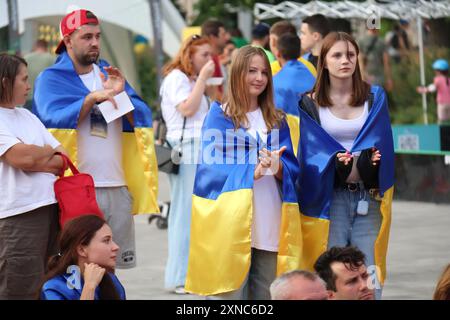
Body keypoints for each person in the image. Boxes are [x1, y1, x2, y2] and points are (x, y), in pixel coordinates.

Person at [33, 9, 159, 269]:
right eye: (87, 36)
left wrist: (121, 95)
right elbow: (50, 120)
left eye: (98, 36)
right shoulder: (51, 79)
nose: (95, 43)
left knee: (113, 268)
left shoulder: (108, 74)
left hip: (117, 186)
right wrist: (91, 99)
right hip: (77, 188)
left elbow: (142, 118)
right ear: (68, 41)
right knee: (76, 267)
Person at [185, 46, 302, 300]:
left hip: (270, 223)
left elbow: (292, 169)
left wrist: (277, 166)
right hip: (230, 225)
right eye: (252, 71)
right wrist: (254, 170)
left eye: (264, 72)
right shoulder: (218, 117)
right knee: (230, 299)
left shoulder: (277, 120)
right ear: (237, 73)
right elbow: (210, 172)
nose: (259, 78)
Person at [297, 32, 395, 300]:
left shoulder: (374, 97)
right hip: (332, 199)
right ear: (324, 61)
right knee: (334, 272)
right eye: (337, 55)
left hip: (369, 197)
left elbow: (383, 141)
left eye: (350, 54)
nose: (345, 60)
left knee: (370, 271)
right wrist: (335, 162)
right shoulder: (309, 101)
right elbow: (310, 153)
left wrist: (370, 163)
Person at [0, 53, 65, 299]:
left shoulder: (28, 116)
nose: (29, 86)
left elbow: (62, 159)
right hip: (18, 217)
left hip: (50, 210)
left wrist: (36, 158)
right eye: (24, 80)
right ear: (5, 82)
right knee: (18, 287)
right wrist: (43, 154)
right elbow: (22, 158)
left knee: (46, 284)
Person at [159, 34, 215, 294]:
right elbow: (187, 109)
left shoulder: (189, 80)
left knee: (193, 213)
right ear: (189, 55)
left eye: (209, 54)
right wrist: (203, 79)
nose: (209, 60)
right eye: (203, 55)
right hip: (186, 149)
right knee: (183, 213)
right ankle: (178, 277)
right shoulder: (177, 79)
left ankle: (189, 273)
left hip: (198, 148)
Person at [39, 215, 126, 300]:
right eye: (106, 240)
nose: (116, 247)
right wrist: (89, 287)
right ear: (81, 250)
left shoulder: (111, 280)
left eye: (112, 240)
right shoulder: (54, 288)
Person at [273, 33, 316, 155]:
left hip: (287, 144)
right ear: (299, 52)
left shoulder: (274, 82)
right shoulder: (312, 74)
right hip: (312, 141)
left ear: (278, 54)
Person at [201, 20, 231, 101]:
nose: (227, 37)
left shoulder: (215, 59)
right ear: (212, 38)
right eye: (223, 34)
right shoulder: (208, 62)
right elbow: (214, 94)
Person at [23, 40, 55, 110]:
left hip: (28, 97)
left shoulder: (25, 58)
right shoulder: (51, 58)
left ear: (35, 46)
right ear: (46, 47)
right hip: (46, 98)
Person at [416, 59, 450, 124]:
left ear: (439, 71)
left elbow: (432, 88)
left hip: (442, 104)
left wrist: (422, 90)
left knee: (442, 122)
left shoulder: (437, 79)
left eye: (436, 70)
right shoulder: (448, 79)